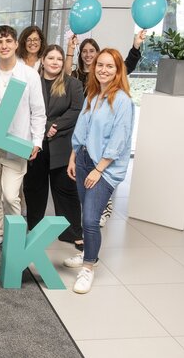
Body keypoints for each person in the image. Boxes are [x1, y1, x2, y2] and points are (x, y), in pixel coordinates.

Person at [63, 48, 134, 294]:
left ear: (118, 70)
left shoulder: (123, 100)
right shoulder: (93, 94)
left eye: (110, 66)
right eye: (100, 65)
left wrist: (99, 170)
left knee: (91, 219)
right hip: (82, 159)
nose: (104, 70)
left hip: (103, 167)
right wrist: (73, 156)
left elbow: (120, 140)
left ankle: (88, 267)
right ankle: (87, 253)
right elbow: (81, 129)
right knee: (86, 212)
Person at [0, 25, 46, 252]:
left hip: (16, 146)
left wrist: (37, 141)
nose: (3, 46)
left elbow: (38, 112)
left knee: (10, 194)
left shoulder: (30, 75)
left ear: (16, 44)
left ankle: (15, 237)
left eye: (8, 41)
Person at [64, 30, 145, 226]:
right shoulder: (77, 75)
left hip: (102, 138)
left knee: (95, 201)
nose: (88, 54)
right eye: (85, 51)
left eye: (93, 51)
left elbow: (126, 66)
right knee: (86, 199)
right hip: (84, 132)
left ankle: (101, 212)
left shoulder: (115, 88)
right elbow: (65, 74)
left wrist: (136, 46)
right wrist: (70, 49)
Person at [23, 45, 84, 250]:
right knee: (34, 189)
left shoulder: (72, 84)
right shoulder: (32, 81)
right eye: (51, 58)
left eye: (59, 59)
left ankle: (73, 233)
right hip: (36, 144)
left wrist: (54, 126)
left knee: (66, 190)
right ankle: (35, 229)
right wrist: (45, 127)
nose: (55, 62)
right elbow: (25, 110)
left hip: (61, 144)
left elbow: (77, 109)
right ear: (43, 60)